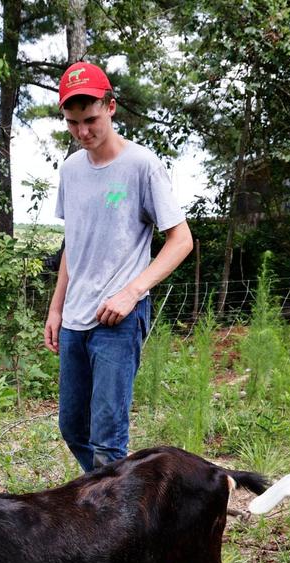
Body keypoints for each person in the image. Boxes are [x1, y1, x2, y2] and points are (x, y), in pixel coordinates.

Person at [44, 61, 193, 472]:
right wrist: (56, 308)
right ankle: (109, 502)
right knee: (73, 426)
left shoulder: (142, 166)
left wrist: (132, 291)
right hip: (75, 317)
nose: (82, 132)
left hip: (118, 320)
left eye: (90, 120)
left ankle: (111, 524)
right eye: (73, 123)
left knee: (108, 438)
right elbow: (74, 245)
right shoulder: (71, 170)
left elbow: (181, 240)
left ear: (111, 106)